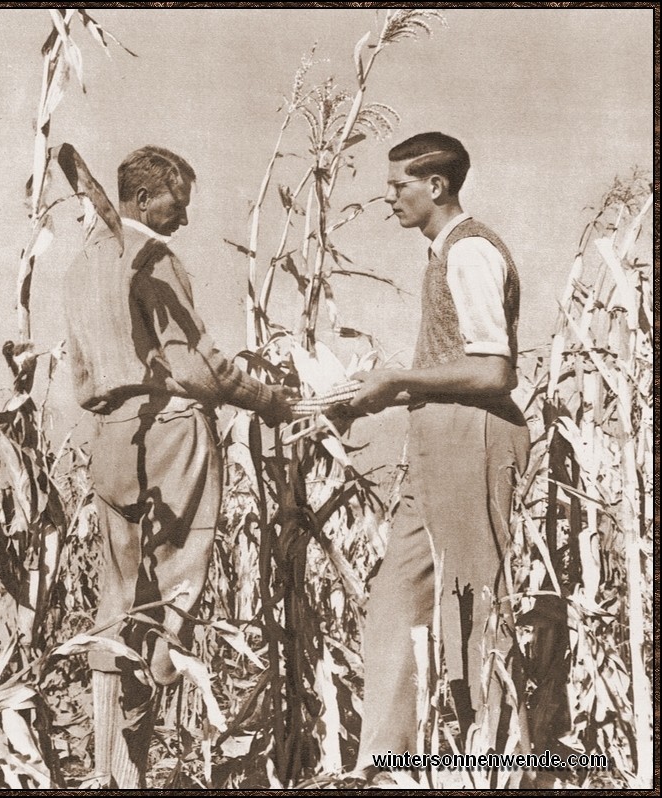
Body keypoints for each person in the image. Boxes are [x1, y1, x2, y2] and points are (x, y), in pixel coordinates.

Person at [63, 146, 292, 788]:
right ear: (140, 199)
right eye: (178, 204)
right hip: (171, 432)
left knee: (118, 600)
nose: (185, 219)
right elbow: (197, 364)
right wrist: (269, 399)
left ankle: (116, 767)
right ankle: (163, 689)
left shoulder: (83, 263)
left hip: (110, 438)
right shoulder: (153, 258)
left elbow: (85, 368)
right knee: (176, 597)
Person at [348, 133, 531, 771]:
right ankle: (388, 762)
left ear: (438, 187)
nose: (388, 195)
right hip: (435, 437)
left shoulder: (470, 252)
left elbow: (493, 372)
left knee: (480, 603)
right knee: (396, 596)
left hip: (474, 434)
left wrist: (400, 379)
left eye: (398, 184)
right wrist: (382, 395)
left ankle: (505, 761)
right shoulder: (440, 255)